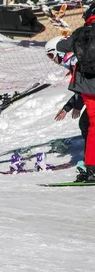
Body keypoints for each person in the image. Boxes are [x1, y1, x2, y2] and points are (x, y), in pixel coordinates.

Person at [46, 33, 92, 181]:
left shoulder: (76, 60)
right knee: (86, 124)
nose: (54, 60)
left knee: (88, 125)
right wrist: (70, 107)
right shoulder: (77, 60)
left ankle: (91, 164)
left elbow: (85, 85)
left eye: (52, 55)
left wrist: (73, 105)